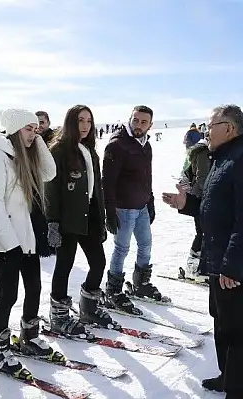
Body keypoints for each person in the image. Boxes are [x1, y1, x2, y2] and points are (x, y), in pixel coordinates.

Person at [163, 104, 243, 399]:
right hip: (219, 257)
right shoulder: (223, 158)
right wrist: (185, 205)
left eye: (210, 125)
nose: (205, 131)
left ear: (230, 128)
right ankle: (229, 376)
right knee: (222, 318)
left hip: (239, 263)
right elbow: (214, 209)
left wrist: (232, 266)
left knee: (237, 326)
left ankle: (240, 391)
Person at [0, 108, 59, 377]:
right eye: (28, 128)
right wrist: (9, 243)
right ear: (14, 129)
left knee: (34, 288)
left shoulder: (27, 156)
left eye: (36, 129)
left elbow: (50, 173)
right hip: (7, 240)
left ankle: (29, 336)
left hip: (27, 236)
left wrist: (36, 139)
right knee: (9, 295)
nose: (34, 133)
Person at [46, 105, 117, 337]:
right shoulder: (58, 150)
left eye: (88, 121)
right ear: (70, 123)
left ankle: (88, 307)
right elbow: (51, 189)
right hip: (67, 220)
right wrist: (53, 223)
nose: (85, 125)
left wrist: (103, 217)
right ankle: (58, 316)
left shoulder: (89, 150)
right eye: (80, 121)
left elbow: (98, 188)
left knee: (98, 262)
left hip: (90, 218)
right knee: (64, 266)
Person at [102, 105, 162, 315]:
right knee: (122, 248)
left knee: (146, 245)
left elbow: (148, 176)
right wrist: (109, 211)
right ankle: (114, 290)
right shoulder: (117, 145)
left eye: (144, 122)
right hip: (123, 208)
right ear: (130, 119)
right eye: (135, 120)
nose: (138, 125)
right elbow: (107, 182)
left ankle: (141, 284)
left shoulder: (146, 145)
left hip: (142, 206)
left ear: (150, 125)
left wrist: (151, 200)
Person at [180, 135, 210, 281]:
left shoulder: (206, 151)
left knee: (204, 232)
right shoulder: (203, 152)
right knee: (202, 232)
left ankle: (200, 266)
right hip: (200, 199)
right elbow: (202, 179)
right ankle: (193, 266)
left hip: (201, 197)